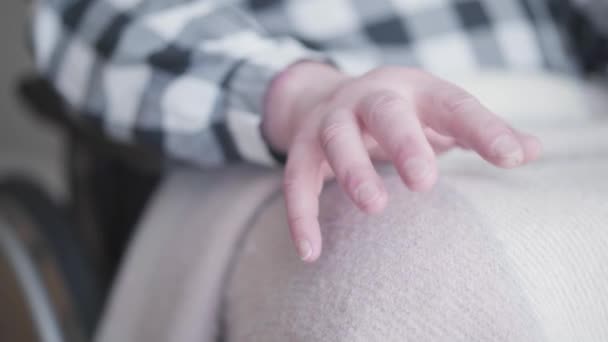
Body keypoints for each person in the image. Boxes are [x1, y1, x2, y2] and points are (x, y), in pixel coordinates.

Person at [29, 1, 605, 261]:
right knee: (404, 255)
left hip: (560, 117)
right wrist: (303, 93)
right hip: (305, 118)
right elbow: (99, 15)